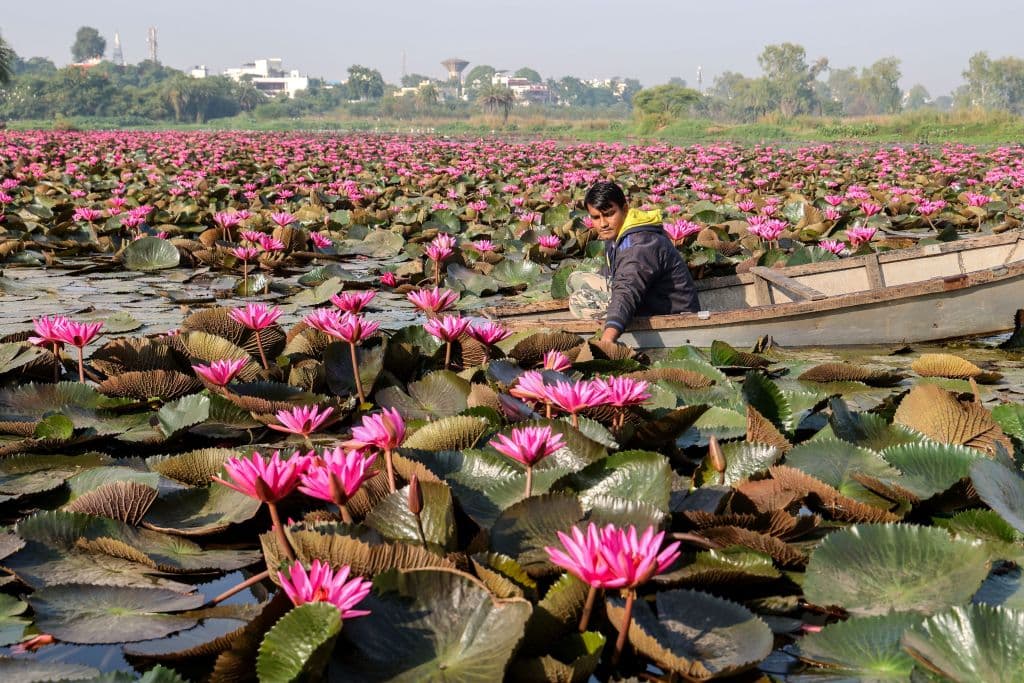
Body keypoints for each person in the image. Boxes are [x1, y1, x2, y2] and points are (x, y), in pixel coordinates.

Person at [568, 181, 699, 343]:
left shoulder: (640, 245)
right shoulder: (617, 234)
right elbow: (613, 275)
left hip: (672, 313)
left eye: (609, 214)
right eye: (596, 217)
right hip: (646, 296)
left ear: (625, 209)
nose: (603, 224)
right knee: (575, 280)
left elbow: (627, 290)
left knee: (578, 301)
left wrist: (607, 340)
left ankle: (615, 329)